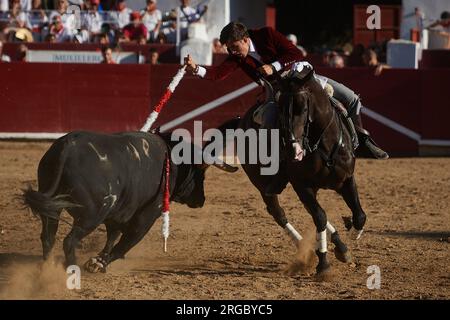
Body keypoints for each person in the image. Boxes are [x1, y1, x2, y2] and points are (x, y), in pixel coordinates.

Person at [184, 22, 388, 195]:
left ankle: (362, 141)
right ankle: (281, 172)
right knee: (268, 123)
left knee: (351, 99)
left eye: (235, 46)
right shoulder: (238, 56)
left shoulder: (266, 35)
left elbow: (295, 54)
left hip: (303, 79)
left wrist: (274, 66)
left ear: (245, 39)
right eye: (229, 48)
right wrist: (196, 69)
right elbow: (219, 73)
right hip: (278, 91)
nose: (232, 52)